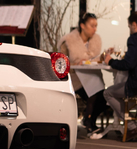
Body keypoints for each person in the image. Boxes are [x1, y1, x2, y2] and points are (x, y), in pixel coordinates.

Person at [59, 12, 106, 133]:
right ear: (82, 25)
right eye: (92, 25)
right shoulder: (69, 41)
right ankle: (88, 122)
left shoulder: (96, 40)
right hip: (74, 77)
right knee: (94, 92)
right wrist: (75, 65)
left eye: (96, 26)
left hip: (91, 75)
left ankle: (89, 119)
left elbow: (96, 59)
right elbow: (62, 63)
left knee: (103, 96)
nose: (94, 29)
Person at [101, 12, 137, 142]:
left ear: (133, 25)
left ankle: (132, 127)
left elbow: (129, 64)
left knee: (108, 93)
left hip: (135, 85)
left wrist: (110, 61)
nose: (129, 29)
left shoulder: (133, 38)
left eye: (129, 26)